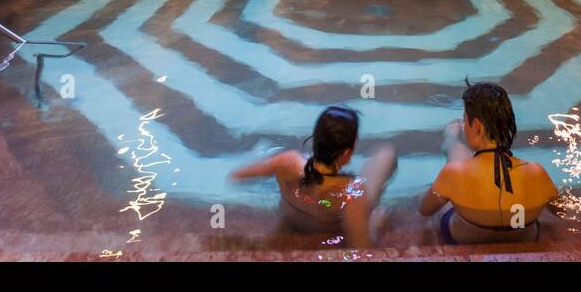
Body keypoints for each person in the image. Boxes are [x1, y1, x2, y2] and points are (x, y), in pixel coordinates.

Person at [230, 105, 397, 249]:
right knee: (387, 154)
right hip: (333, 231)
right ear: (346, 154)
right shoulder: (351, 194)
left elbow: (238, 175)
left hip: (292, 222)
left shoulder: (286, 163)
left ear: (315, 141)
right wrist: (375, 224)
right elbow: (361, 251)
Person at [419, 82, 558, 244]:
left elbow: (424, 210)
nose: (465, 126)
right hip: (522, 235)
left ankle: (450, 141)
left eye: (465, 121)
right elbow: (561, 211)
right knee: (523, 208)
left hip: (465, 236)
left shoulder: (453, 173)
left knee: (455, 157)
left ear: (477, 126)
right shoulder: (536, 172)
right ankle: (452, 143)